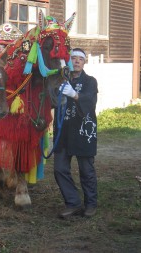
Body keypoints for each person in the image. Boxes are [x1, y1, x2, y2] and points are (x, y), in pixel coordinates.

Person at [53, 48, 98, 218]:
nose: (77, 61)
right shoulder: (60, 81)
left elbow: (90, 101)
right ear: (69, 62)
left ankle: (91, 204)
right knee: (59, 169)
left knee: (86, 170)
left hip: (83, 131)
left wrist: (75, 95)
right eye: (73, 58)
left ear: (84, 62)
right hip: (63, 132)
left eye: (80, 58)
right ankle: (73, 203)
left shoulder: (90, 81)